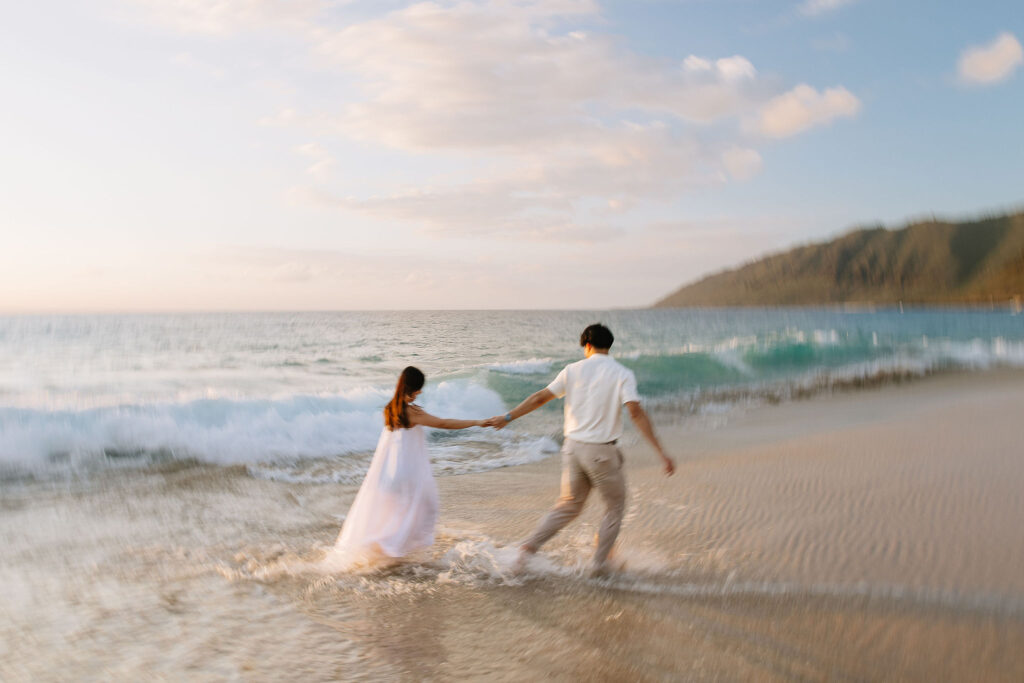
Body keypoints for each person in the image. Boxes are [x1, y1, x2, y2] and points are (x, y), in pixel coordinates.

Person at [485, 323, 675, 576]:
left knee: (568, 506)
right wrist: (660, 451)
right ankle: (599, 564)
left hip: (572, 450)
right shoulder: (622, 373)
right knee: (615, 506)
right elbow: (635, 412)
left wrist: (507, 417)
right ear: (608, 346)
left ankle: (526, 550)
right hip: (601, 452)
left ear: (587, 345)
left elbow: (539, 397)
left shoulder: (572, 370)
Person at [331, 366, 486, 568]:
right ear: (411, 388)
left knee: (396, 514)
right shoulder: (411, 412)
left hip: (390, 474)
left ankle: (386, 550)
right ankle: (394, 550)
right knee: (428, 507)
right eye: (418, 389)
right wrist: (477, 422)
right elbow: (444, 423)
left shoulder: (390, 409)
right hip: (407, 475)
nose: (420, 392)